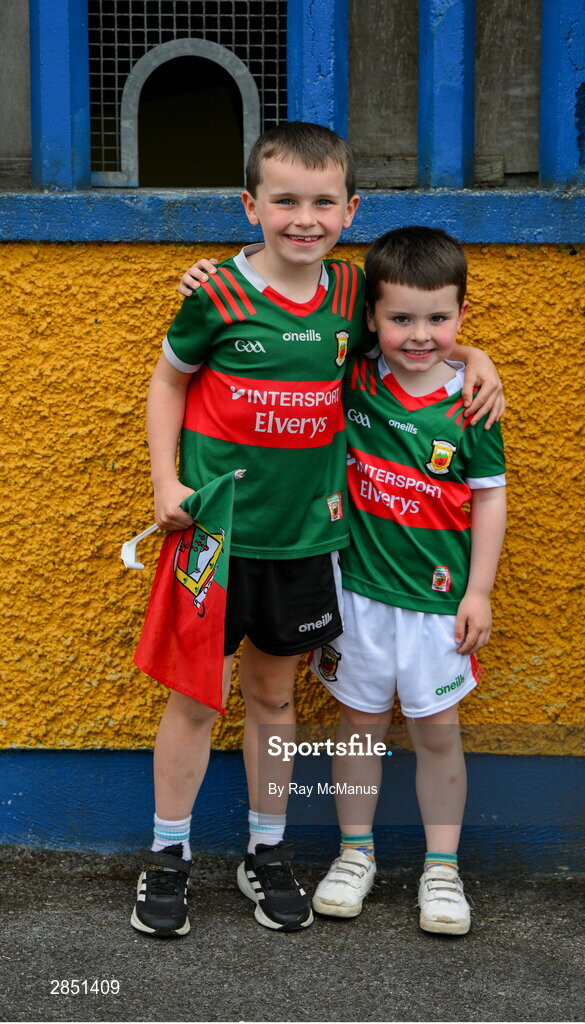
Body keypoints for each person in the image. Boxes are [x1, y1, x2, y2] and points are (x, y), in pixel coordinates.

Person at [134, 122, 503, 939]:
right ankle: (167, 854)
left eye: (323, 201)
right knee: (196, 699)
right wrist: (166, 479)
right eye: (285, 200)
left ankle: (266, 851)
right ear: (250, 205)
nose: (304, 217)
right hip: (217, 540)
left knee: (273, 698)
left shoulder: (346, 295)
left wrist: (474, 355)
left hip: (307, 544)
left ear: (350, 209)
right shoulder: (215, 295)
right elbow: (168, 382)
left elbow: (417, 339)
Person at [309, 226, 507, 935]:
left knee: (438, 732)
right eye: (400, 318)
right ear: (372, 317)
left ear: (460, 313)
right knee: (358, 727)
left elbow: (488, 496)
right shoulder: (356, 372)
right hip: (357, 596)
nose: (419, 335)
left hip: (436, 606)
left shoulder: (472, 403)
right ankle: (354, 855)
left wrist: (478, 590)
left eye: (439, 319)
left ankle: (443, 868)